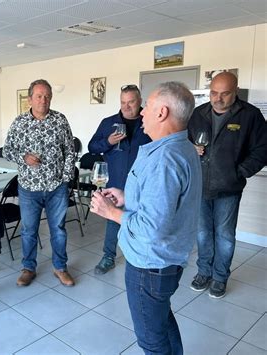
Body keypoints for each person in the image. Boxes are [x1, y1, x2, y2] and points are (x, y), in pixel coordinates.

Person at [91, 82, 202, 354]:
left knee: (151, 341)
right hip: (166, 261)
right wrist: (128, 197)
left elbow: (151, 228)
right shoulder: (182, 147)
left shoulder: (164, 158)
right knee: (162, 320)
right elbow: (166, 203)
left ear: (162, 112)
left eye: (148, 106)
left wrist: (112, 212)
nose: (141, 113)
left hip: (149, 265)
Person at [188, 72, 267, 298]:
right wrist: (191, 148)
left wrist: (239, 172)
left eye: (225, 94)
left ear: (236, 91)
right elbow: (186, 139)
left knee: (224, 235)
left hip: (229, 188)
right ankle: (204, 272)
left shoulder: (250, 115)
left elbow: (263, 149)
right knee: (203, 233)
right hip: (201, 186)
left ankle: (220, 277)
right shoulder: (198, 113)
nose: (218, 98)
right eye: (214, 93)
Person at [3, 79, 76, 287]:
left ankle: (60, 268)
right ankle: (28, 268)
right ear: (30, 99)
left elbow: (70, 151)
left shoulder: (60, 120)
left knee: (59, 230)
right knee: (28, 231)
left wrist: (65, 179)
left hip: (56, 188)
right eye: (39, 96)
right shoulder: (19, 123)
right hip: (29, 188)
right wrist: (23, 157)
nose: (44, 100)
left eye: (47, 96)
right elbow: (7, 150)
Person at [88, 84, 151, 274]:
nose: (126, 106)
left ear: (140, 101)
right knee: (112, 220)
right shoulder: (109, 123)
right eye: (123, 102)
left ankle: (140, 257)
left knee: (141, 220)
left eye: (131, 102)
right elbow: (92, 147)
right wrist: (108, 142)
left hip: (142, 185)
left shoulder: (149, 120)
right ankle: (108, 256)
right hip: (115, 182)